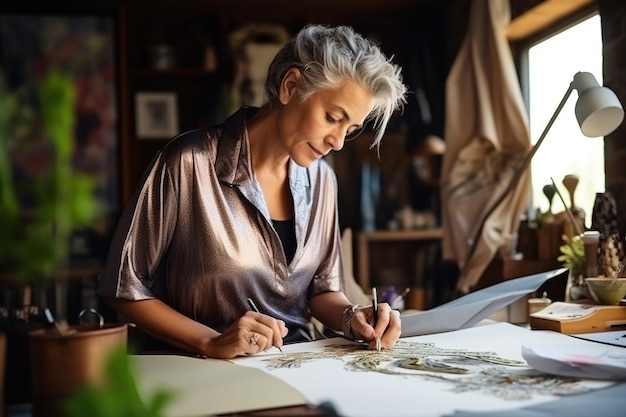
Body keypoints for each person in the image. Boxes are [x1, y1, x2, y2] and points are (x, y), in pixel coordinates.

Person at [97, 24, 408, 359]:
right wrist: (210, 342)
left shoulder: (322, 180)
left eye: (351, 129)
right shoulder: (188, 162)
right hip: (200, 374)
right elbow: (123, 288)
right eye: (333, 117)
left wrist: (354, 317)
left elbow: (323, 290)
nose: (337, 141)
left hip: (298, 367)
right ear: (290, 87)